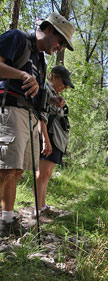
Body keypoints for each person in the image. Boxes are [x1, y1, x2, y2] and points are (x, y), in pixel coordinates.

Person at [0, 12, 75, 236]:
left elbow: (36, 92)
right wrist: (21, 75)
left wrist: (51, 99)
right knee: (6, 168)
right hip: (10, 108)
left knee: (17, 170)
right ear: (49, 29)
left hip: (29, 115)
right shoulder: (17, 38)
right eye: (61, 41)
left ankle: (7, 219)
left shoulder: (40, 60)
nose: (60, 48)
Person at [35, 65, 74, 217]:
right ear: (53, 77)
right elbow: (41, 117)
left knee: (47, 173)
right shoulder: (44, 89)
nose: (65, 87)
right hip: (48, 136)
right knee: (42, 173)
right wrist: (46, 140)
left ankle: (42, 207)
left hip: (56, 138)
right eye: (63, 82)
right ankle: (37, 210)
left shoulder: (54, 94)